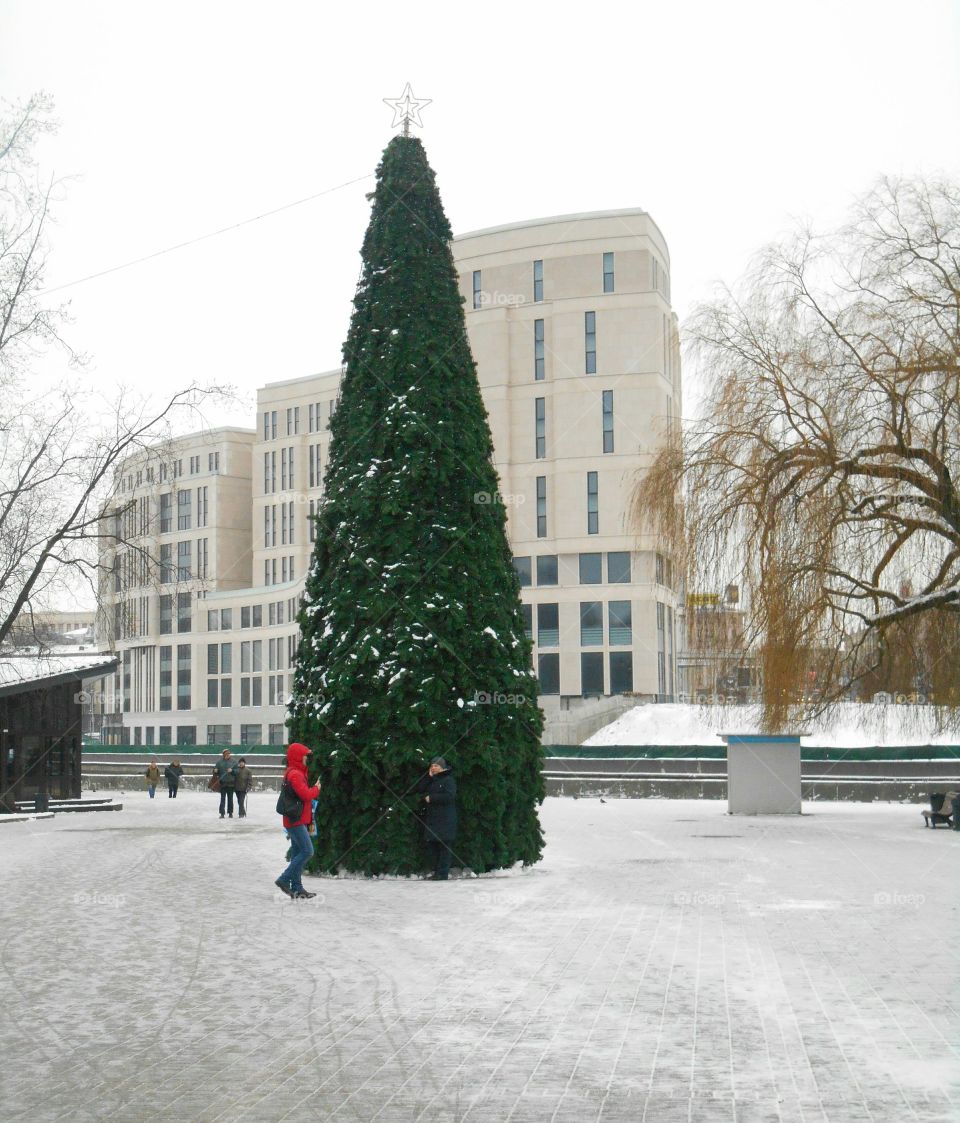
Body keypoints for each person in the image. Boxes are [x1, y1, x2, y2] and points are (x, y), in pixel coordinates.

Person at [275, 742, 320, 900]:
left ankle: (297, 887)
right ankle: (284, 879)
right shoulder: (295, 774)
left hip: (294, 819)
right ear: (298, 757)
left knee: (296, 854)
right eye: (305, 756)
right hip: (295, 821)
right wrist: (317, 789)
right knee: (308, 851)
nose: (307, 759)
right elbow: (306, 795)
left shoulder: (296, 772)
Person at [416, 756, 458, 880]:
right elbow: (420, 788)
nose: (434, 768)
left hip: (446, 819)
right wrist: (428, 777)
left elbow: (450, 796)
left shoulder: (448, 780)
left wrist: (432, 798)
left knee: (444, 846)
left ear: (442, 767)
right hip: (433, 819)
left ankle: (443, 874)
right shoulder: (432, 780)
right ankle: (437, 872)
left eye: (436, 766)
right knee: (433, 846)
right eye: (432, 765)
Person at [215, 748, 239, 818]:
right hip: (223, 783)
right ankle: (222, 813)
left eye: (228, 754)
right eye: (226, 754)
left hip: (231, 784)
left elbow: (237, 771)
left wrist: (232, 770)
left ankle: (230, 813)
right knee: (222, 799)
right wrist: (215, 770)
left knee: (230, 799)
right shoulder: (219, 762)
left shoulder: (234, 762)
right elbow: (215, 770)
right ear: (223, 755)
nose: (227, 755)